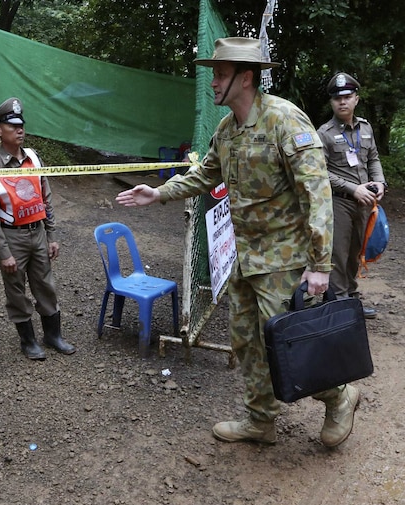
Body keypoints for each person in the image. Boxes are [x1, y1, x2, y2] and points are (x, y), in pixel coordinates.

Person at [116, 37, 359, 448]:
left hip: (284, 258)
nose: (213, 82)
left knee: (293, 341)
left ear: (246, 79)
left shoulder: (286, 120)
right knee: (246, 338)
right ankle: (260, 420)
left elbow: (317, 195)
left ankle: (339, 397)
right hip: (245, 258)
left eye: (221, 74)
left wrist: (320, 265)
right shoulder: (227, 129)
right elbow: (204, 175)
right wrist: (159, 193)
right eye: (214, 73)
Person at [0, 97, 76, 361]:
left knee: (46, 285)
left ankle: (53, 335)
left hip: (38, 233)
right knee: (16, 290)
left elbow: (46, 197)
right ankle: (28, 341)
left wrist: (51, 235)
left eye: (21, 125)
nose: (20, 130)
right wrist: (4, 252)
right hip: (12, 237)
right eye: (12, 126)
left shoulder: (33, 157)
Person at [317, 72, 386, 319]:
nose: (342, 102)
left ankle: (352, 300)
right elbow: (320, 172)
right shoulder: (324, 133)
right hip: (339, 202)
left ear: (356, 99)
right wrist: (352, 188)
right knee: (338, 254)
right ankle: (340, 307)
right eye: (337, 98)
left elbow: (373, 158)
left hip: (364, 203)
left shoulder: (366, 128)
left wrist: (379, 182)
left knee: (356, 252)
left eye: (347, 97)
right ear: (332, 103)